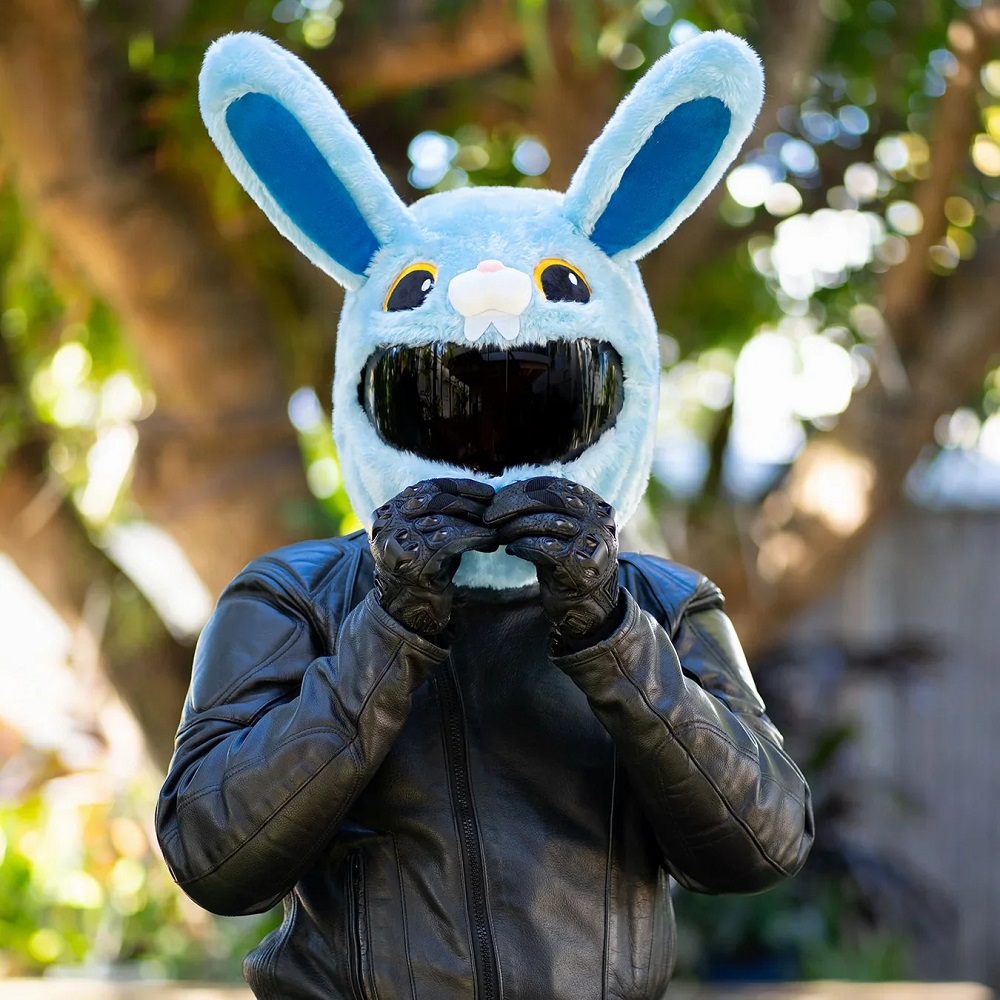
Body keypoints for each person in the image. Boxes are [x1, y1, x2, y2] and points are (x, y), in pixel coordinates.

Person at [156, 29, 813, 1000]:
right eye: (446, 391)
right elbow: (215, 861)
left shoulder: (666, 606)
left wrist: (606, 632)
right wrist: (389, 629)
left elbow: (758, 846)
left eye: (535, 391)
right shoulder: (289, 596)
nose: (489, 423)